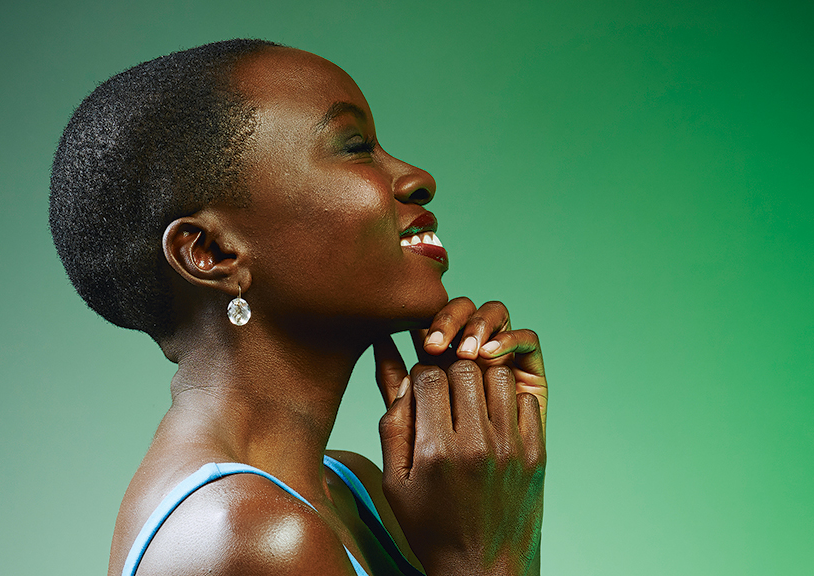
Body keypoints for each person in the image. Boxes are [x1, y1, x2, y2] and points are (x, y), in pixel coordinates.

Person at [50, 39, 549, 576]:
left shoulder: (349, 490)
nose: (417, 179)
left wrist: (492, 467)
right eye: (356, 147)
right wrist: (487, 556)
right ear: (212, 253)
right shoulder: (250, 535)